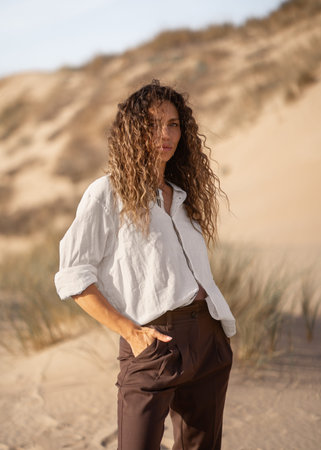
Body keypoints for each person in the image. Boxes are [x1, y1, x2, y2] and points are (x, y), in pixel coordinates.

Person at [54, 79, 236, 450]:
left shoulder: (184, 198)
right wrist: (132, 334)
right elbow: (74, 276)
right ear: (132, 131)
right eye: (152, 124)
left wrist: (216, 330)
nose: (164, 134)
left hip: (208, 340)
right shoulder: (107, 193)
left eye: (172, 124)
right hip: (153, 343)